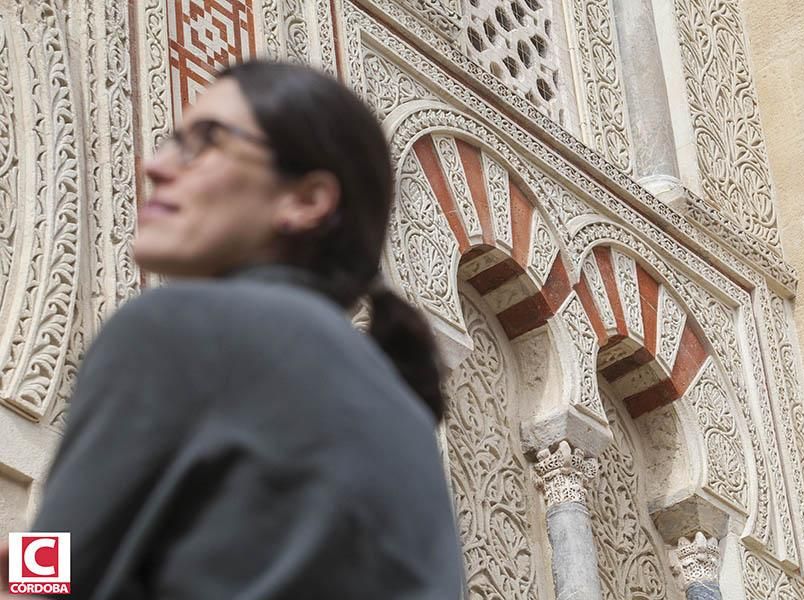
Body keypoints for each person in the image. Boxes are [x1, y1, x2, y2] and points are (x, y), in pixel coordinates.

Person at [1, 61, 463, 599]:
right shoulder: (406, 415)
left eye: (205, 141)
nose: (155, 164)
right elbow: (216, 545)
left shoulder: (178, 328)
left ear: (306, 199)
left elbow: (79, 575)